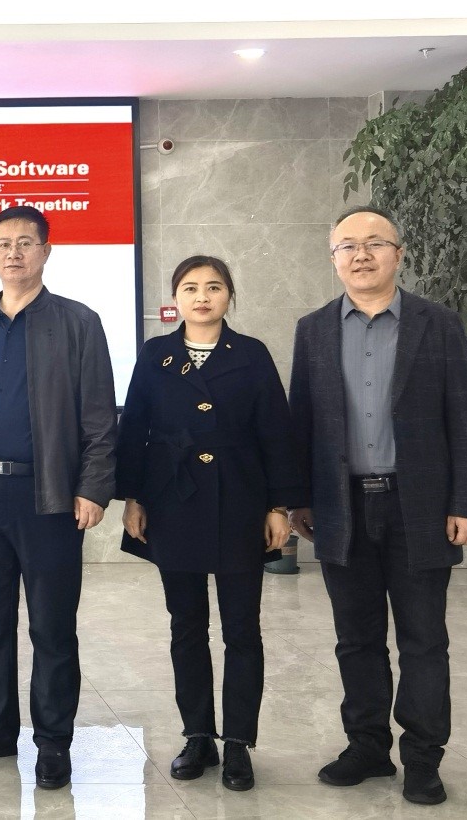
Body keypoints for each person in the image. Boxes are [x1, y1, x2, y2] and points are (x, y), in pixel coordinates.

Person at [289, 206, 467, 806]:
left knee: (424, 640)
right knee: (356, 638)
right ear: (333, 259)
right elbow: (302, 420)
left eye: (375, 243)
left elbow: (463, 418)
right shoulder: (313, 329)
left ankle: (423, 758)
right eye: (347, 245)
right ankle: (368, 747)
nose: (361, 254)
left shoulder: (438, 324)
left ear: (398, 254)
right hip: (341, 506)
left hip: (419, 506)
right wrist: (299, 499)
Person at [0, 205, 117, 790]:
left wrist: (93, 486)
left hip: (49, 497)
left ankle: (54, 741)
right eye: (4, 243)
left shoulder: (78, 322)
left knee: (52, 627)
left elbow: (100, 416)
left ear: (46, 251)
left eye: (26, 242)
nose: (14, 252)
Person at [115, 256, 306, 791]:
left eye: (214, 287)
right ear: (176, 297)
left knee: (242, 628)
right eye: (191, 287)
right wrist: (132, 497)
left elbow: (277, 432)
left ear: (229, 295)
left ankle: (239, 742)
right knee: (186, 625)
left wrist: (278, 506)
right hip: (172, 500)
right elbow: (134, 428)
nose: (202, 297)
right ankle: (197, 735)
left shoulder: (251, 354)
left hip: (242, 501)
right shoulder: (156, 354)